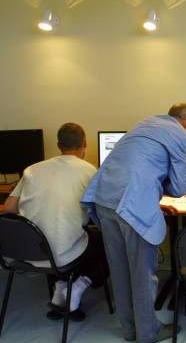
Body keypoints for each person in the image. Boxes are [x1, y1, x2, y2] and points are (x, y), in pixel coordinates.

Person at [81, 103, 186, 343]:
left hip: (103, 199)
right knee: (142, 272)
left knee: (120, 269)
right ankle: (147, 332)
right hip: (131, 203)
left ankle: (129, 328)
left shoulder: (144, 123)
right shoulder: (182, 136)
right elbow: (178, 189)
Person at [3, 123, 108, 319]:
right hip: (60, 255)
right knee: (105, 241)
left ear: (58, 144)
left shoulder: (32, 169)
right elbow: (100, 211)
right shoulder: (89, 170)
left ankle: (60, 287)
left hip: (25, 252)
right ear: (84, 144)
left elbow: (8, 208)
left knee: (58, 232)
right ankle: (77, 286)